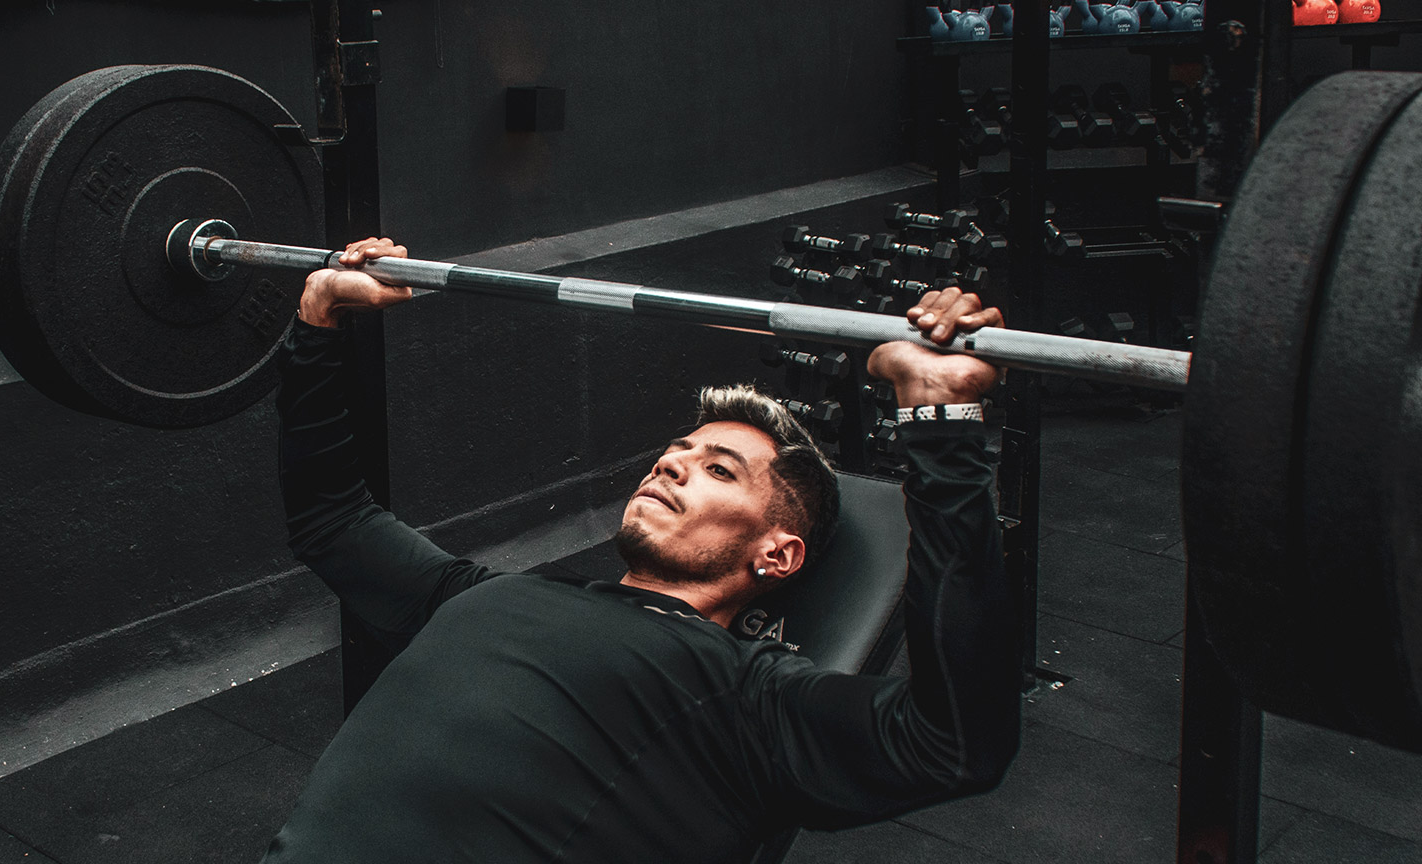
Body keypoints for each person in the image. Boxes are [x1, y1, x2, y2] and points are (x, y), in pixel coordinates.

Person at [261, 238, 1020, 863]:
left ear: (778, 555)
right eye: (678, 451)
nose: (671, 463)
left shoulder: (748, 700)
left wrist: (944, 421)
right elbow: (331, 518)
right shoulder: (478, 597)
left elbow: (955, 744)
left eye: (719, 468)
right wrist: (316, 319)